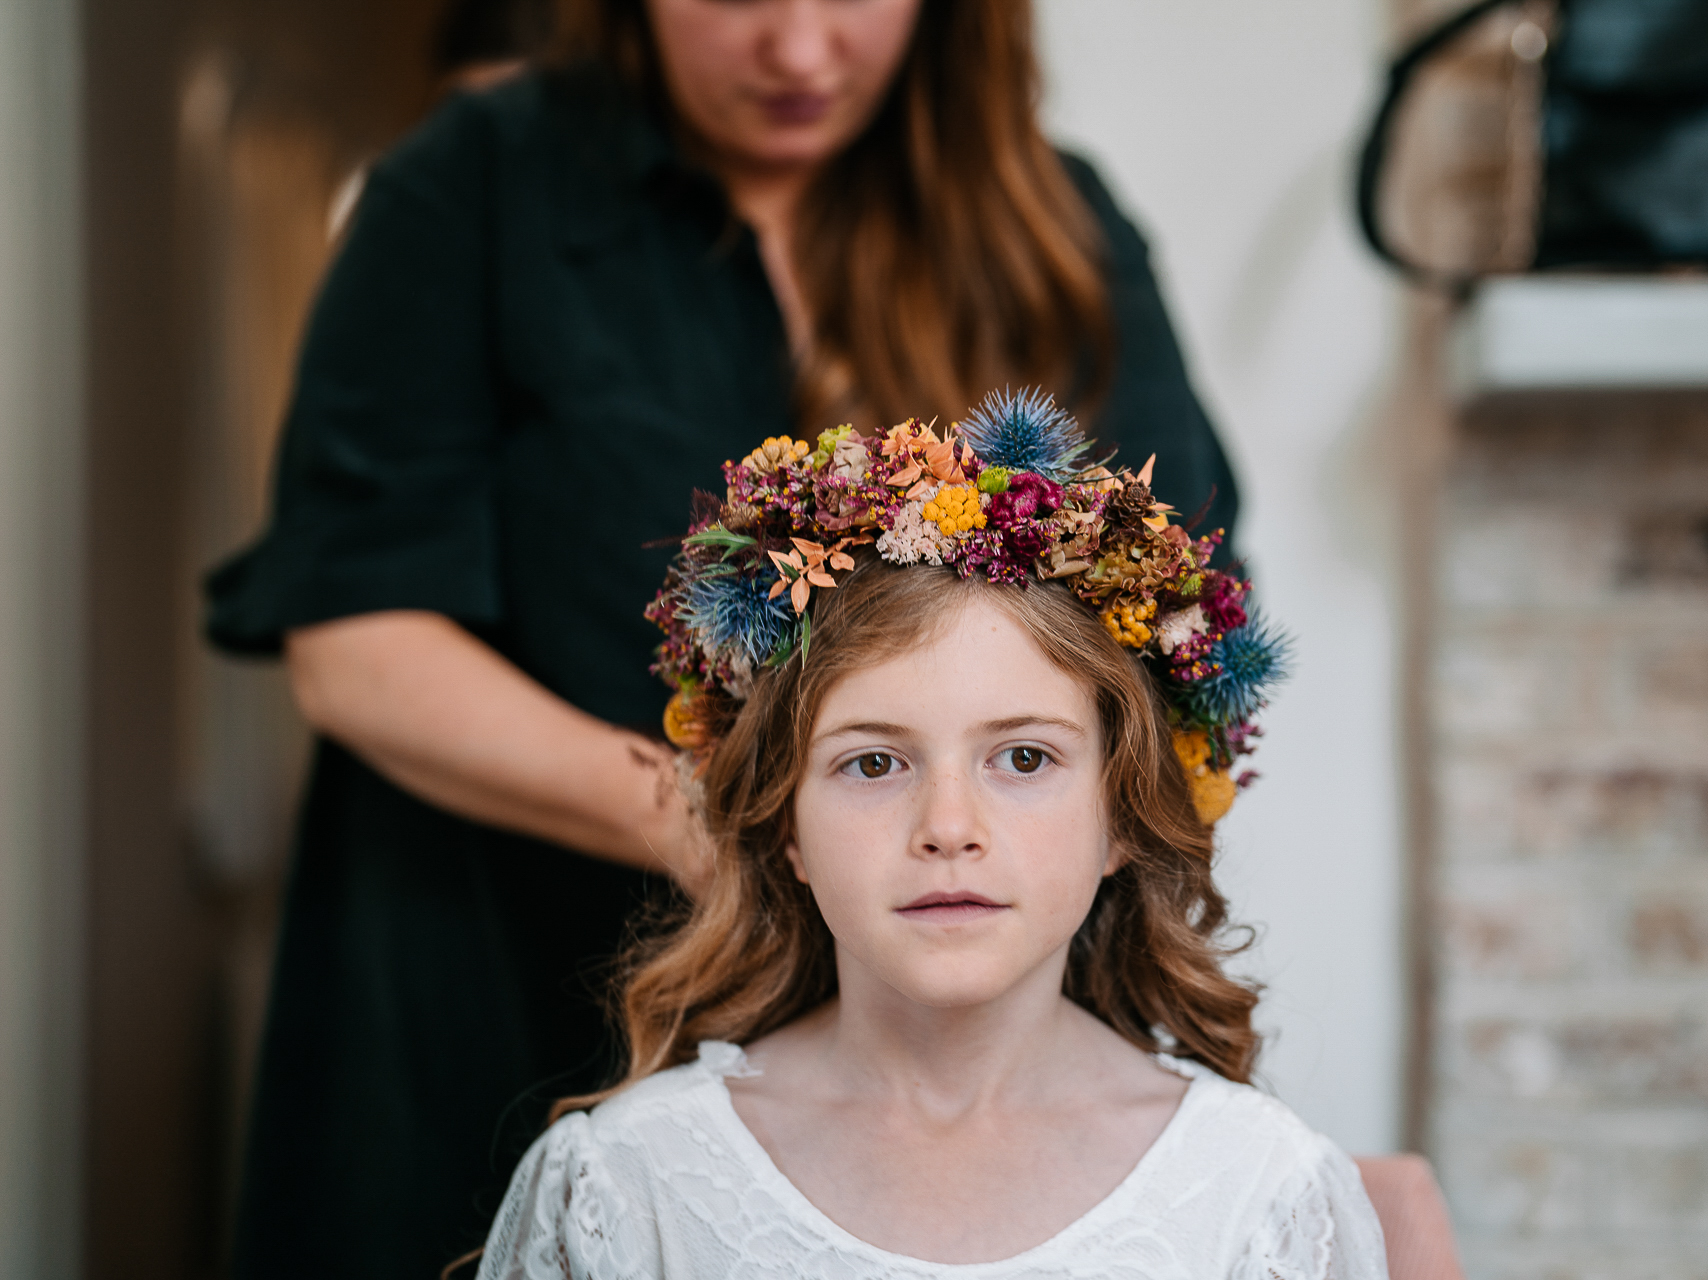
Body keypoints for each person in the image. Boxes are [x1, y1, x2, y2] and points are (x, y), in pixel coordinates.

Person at [205, 0, 1241, 1275]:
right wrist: (729, 820)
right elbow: (359, 644)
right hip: (494, 985)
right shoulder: (469, 191)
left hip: (921, 1045)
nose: (800, 52)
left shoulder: (1056, 226)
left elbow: (1171, 617)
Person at [475, 398, 1380, 1279]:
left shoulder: (1260, 1193)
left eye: (1023, 758)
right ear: (787, 826)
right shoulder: (632, 1182)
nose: (949, 829)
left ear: (1122, 817)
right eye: (873, 765)